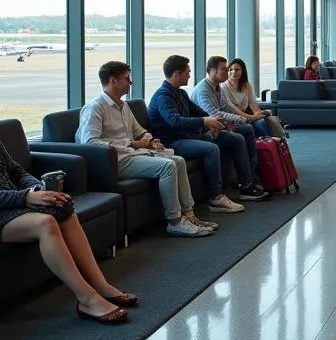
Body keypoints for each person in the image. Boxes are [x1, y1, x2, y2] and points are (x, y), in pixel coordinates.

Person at [0, 139, 137, 324]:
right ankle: (87, 300)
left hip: (14, 201)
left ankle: (100, 285)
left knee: (64, 208)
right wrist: (27, 197)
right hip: (6, 207)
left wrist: (39, 189)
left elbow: (16, 170)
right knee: (46, 223)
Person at [77, 61, 215, 238]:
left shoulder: (123, 105)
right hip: (115, 161)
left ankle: (189, 215)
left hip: (132, 155)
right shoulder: (95, 108)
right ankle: (174, 221)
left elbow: (139, 131)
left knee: (178, 161)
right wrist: (131, 144)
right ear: (113, 80)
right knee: (167, 166)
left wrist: (150, 140)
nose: (130, 83)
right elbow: (89, 143)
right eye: (127, 79)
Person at [148, 55, 267, 213]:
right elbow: (175, 121)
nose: (190, 75)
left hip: (188, 135)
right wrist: (205, 122)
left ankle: (246, 184)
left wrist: (216, 124)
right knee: (211, 149)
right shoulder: (163, 96)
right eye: (187, 72)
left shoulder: (181, 94)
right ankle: (216, 197)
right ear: (177, 74)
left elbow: (200, 113)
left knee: (236, 138)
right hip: (172, 141)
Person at [192, 57, 264, 192]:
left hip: (218, 126)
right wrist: (241, 119)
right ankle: (247, 182)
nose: (227, 72)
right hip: (206, 130)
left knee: (248, 129)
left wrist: (237, 119)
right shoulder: (203, 90)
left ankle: (253, 173)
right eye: (224, 69)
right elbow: (214, 114)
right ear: (213, 71)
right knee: (238, 137)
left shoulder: (217, 87)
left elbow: (226, 108)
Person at [224, 58, 288, 139]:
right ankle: (269, 143)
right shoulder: (224, 87)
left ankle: (271, 144)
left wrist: (257, 114)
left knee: (262, 122)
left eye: (237, 70)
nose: (233, 72)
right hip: (234, 118)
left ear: (242, 71)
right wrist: (252, 117)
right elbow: (234, 109)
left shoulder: (246, 85)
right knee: (259, 123)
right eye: (231, 70)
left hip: (247, 116)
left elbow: (252, 103)